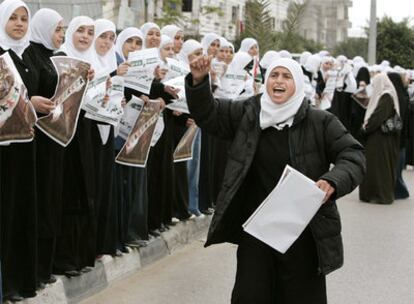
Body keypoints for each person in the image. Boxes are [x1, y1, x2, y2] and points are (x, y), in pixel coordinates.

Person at [185, 56, 365, 303]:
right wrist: (198, 82)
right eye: (274, 76)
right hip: (257, 230)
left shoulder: (320, 122)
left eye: (287, 76)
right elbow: (210, 114)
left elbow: (353, 155)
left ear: (298, 84)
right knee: (250, 294)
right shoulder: (248, 113)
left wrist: (332, 181)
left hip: (302, 233)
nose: (279, 81)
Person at [25, 7, 65, 287]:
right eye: (57, 29)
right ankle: (35, 270)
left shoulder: (60, 58)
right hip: (35, 139)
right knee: (37, 202)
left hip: (57, 139)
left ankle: (46, 267)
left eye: (63, 29)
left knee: (52, 200)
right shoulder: (29, 55)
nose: (61, 34)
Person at [359, 73, 400, 204]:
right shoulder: (385, 95)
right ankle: (373, 194)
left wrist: (366, 127)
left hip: (380, 139)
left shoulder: (386, 96)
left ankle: (380, 195)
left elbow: (378, 117)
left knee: (379, 168)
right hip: (380, 139)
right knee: (376, 167)